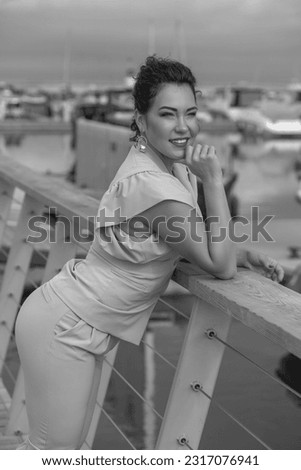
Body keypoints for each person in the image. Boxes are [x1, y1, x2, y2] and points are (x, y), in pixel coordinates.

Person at [15, 55, 284, 450]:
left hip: (75, 323)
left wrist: (242, 254)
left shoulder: (168, 170)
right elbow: (218, 267)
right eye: (168, 114)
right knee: (53, 454)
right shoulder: (152, 184)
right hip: (64, 327)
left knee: (59, 451)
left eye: (190, 113)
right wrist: (214, 180)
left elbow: (189, 245)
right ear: (142, 120)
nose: (183, 127)